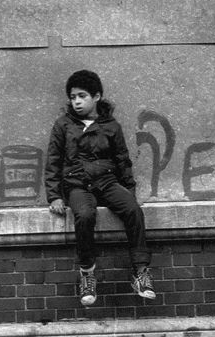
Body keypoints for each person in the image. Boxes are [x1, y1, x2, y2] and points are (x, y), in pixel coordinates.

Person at [44, 69, 155, 307]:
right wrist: (54, 196)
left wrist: (129, 192)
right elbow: (53, 160)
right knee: (84, 215)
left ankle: (140, 273)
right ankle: (87, 273)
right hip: (76, 184)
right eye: (73, 97)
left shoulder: (111, 126)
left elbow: (122, 160)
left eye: (82, 96)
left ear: (96, 97)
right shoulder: (63, 125)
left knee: (133, 210)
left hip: (106, 181)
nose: (76, 101)